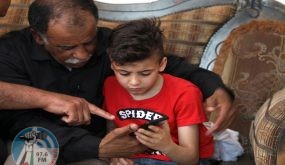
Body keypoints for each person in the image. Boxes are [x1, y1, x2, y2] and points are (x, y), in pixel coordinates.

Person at [0, 0, 235, 164]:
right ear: (37, 37)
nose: (82, 54)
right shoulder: (12, 52)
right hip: (38, 141)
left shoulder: (109, 43)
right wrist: (96, 147)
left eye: (89, 42)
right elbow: (16, 121)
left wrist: (215, 88)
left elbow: (170, 67)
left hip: (104, 152)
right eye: (66, 47)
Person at [104, 18, 214, 165]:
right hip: (132, 157)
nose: (134, 82)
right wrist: (114, 155)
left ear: (162, 64)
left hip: (176, 157)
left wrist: (166, 145)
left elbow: (191, 158)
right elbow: (112, 128)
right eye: (124, 73)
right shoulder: (110, 86)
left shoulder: (185, 94)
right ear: (112, 65)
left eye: (145, 73)